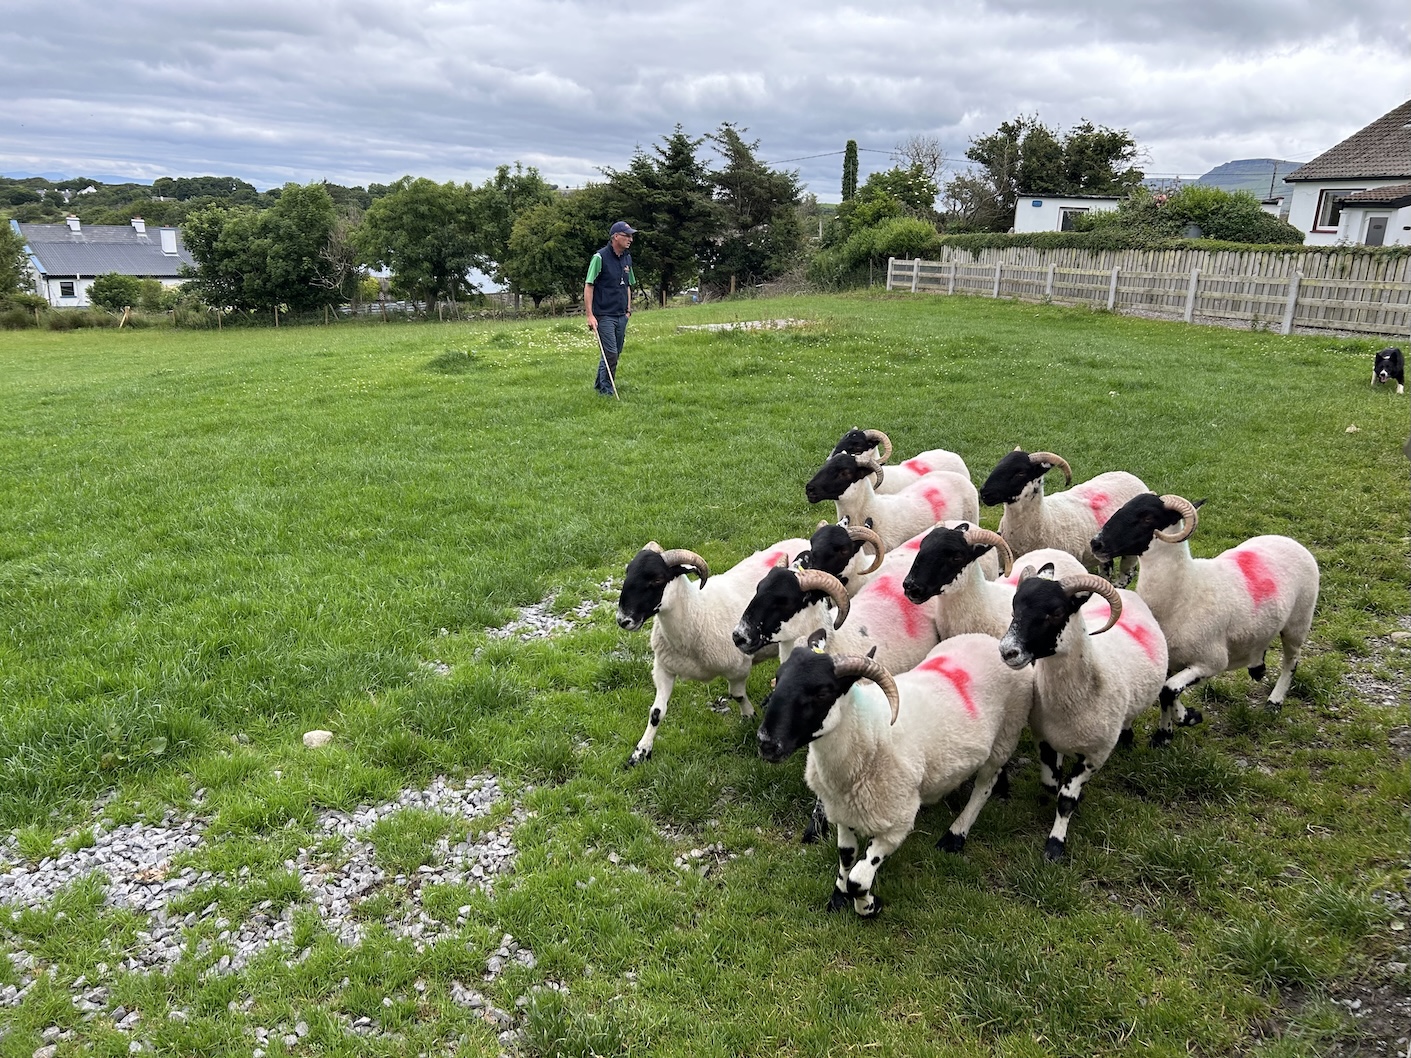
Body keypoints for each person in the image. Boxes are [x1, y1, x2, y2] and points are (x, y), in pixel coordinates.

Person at [584, 221, 638, 395]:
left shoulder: (627, 258)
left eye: (631, 236)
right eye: (627, 235)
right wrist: (590, 315)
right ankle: (607, 391)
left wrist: (628, 310)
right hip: (604, 315)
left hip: (622, 314)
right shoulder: (599, 257)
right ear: (615, 237)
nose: (630, 239)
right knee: (611, 353)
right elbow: (589, 285)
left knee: (614, 352)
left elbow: (628, 284)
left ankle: (599, 385)